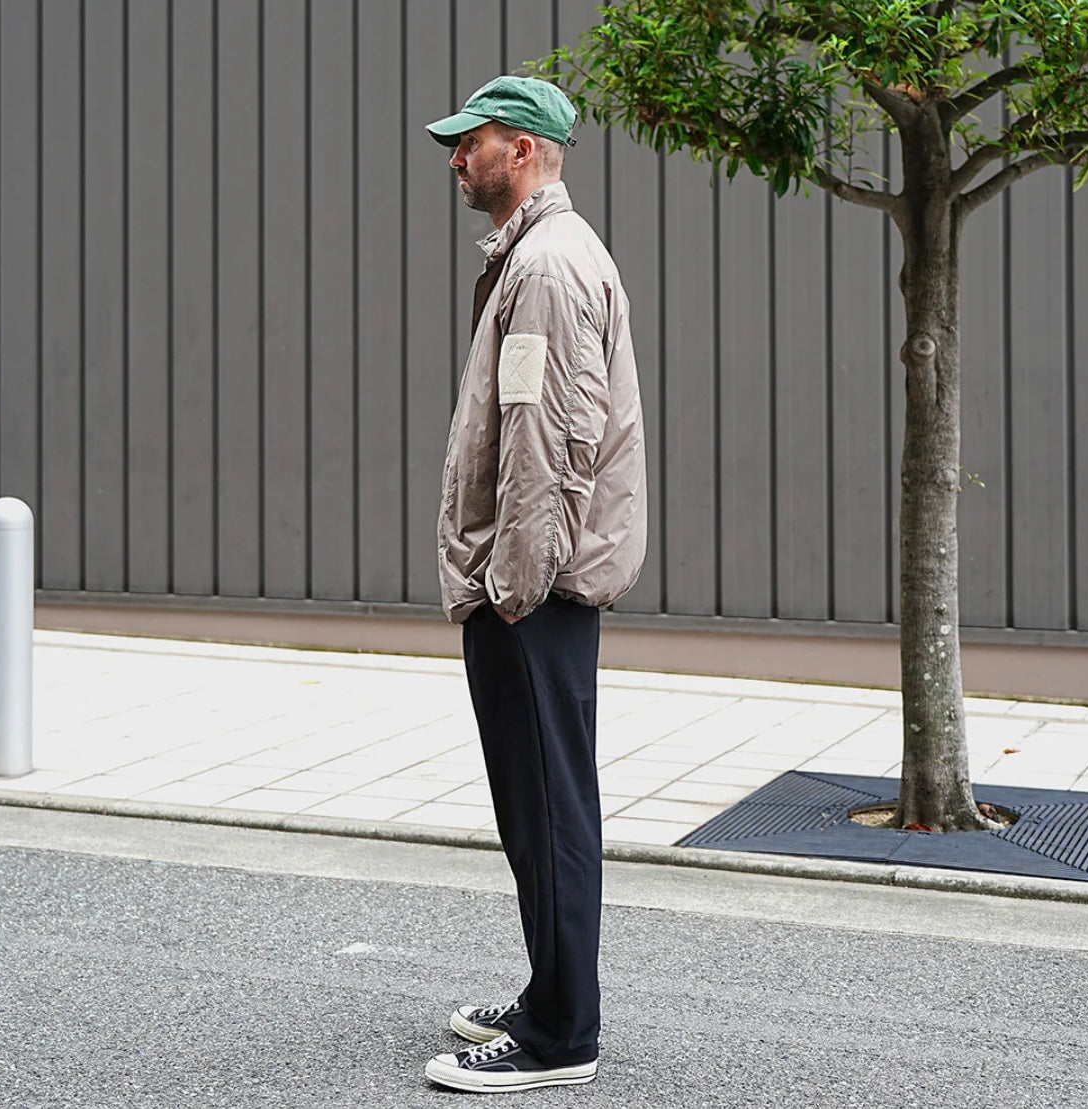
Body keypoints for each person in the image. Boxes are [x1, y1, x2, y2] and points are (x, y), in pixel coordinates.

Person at [423, 75, 647, 1094]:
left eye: (469, 142)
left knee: (549, 807)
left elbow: (548, 442)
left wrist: (511, 583)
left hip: (534, 585)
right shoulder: (536, 255)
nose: (455, 159)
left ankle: (561, 1035)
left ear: (520, 148)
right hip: (535, 579)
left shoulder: (549, 266)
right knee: (540, 803)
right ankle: (552, 992)